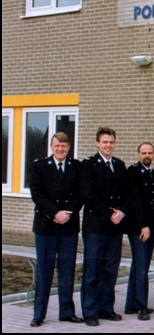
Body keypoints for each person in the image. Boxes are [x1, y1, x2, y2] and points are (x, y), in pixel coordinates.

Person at [29, 132, 83, 327]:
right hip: (45, 226)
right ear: (51, 147)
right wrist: (55, 213)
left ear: (68, 147)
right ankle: (39, 314)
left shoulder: (76, 167)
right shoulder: (40, 166)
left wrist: (67, 213)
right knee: (45, 271)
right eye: (57, 145)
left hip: (68, 226)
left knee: (67, 271)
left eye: (64, 146)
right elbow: (37, 194)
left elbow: (81, 194)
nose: (60, 149)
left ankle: (67, 312)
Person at [79, 127, 130, 327]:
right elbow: (87, 195)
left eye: (111, 142)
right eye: (105, 142)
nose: (108, 145)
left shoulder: (119, 165)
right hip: (95, 227)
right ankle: (90, 311)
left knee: (110, 270)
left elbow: (127, 194)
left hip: (115, 227)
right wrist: (109, 213)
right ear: (97, 144)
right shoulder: (88, 165)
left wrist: (122, 212)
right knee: (93, 270)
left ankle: (106, 308)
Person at [124, 142, 154, 321]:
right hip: (139, 227)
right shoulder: (133, 172)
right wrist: (143, 225)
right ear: (138, 154)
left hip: (150, 227)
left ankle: (131, 304)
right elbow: (135, 201)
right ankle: (142, 306)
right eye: (143, 153)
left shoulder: (153, 174)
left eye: (150, 153)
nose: (147, 155)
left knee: (139, 265)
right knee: (142, 265)